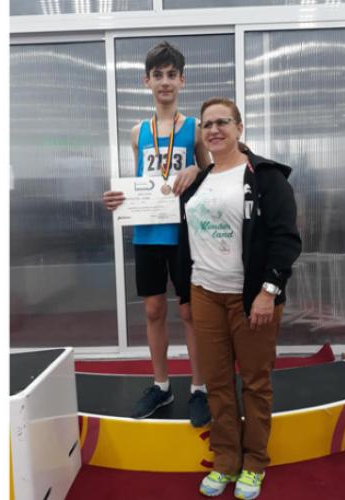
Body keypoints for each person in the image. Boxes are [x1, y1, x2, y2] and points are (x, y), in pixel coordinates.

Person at [177, 97, 302, 499]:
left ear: (239, 127)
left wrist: (269, 291)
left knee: (255, 382)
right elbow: (183, 238)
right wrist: (184, 292)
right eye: (207, 124)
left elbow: (286, 240)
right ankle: (226, 460)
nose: (214, 130)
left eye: (223, 122)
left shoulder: (266, 177)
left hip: (250, 298)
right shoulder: (197, 181)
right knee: (216, 383)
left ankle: (255, 463)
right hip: (204, 293)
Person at [102, 42, 212, 427]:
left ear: (182, 80)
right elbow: (141, 183)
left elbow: (212, 175)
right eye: (158, 75)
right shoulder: (138, 133)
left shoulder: (195, 129)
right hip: (148, 232)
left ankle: (199, 388)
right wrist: (119, 198)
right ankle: (161, 385)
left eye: (171, 75)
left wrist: (196, 170)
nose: (165, 81)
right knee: (152, 309)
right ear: (146, 81)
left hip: (184, 233)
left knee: (189, 311)